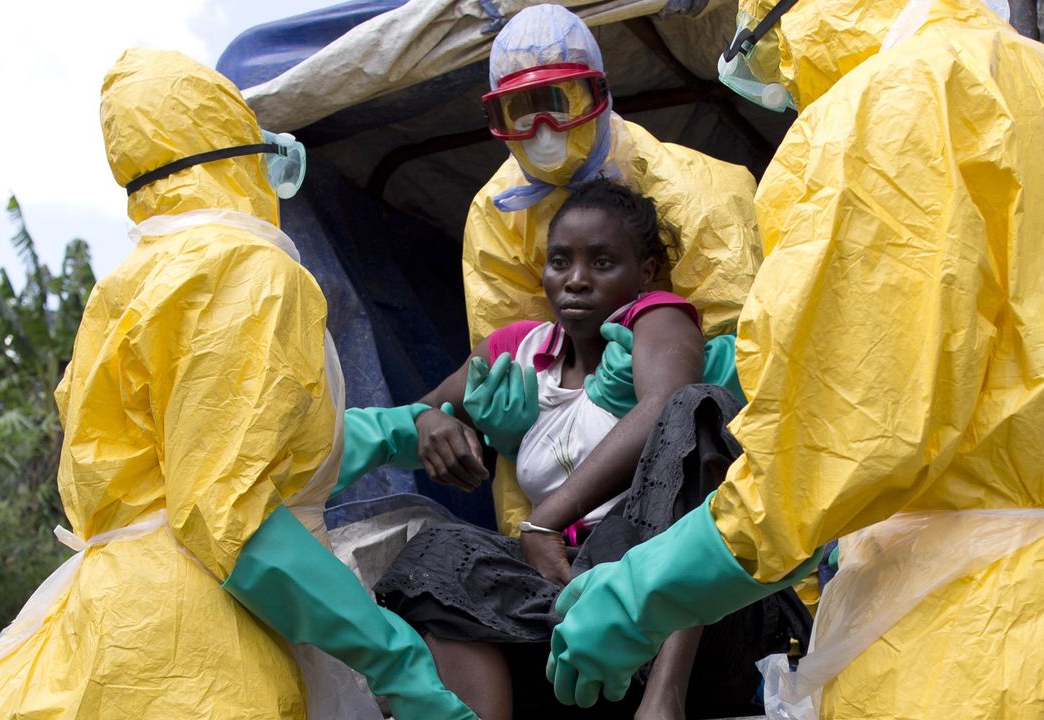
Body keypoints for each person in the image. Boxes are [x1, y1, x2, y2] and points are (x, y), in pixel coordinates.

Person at [547, 1, 1044, 719]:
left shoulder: (897, 96)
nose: (778, 75)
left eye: (764, 47)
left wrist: (646, 591)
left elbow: (844, 437)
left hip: (965, 641)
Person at [0, 48, 473, 720]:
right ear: (239, 152)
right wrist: (394, 656)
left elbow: (225, 448)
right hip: (203, 645)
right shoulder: (247, 269)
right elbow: (231, 514)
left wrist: (395, 431)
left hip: (114, 633)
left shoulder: (130, 282)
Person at [340, 180, 808, 720]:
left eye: (603, 262)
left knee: (699, 411)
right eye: (560, 262)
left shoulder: (657, 320)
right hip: (579, 606)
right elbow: (415, 416)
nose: (576, 281)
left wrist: (544, 522)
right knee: (436, 555)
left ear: (647, 271)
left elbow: (667, 402)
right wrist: (429, 422)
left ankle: (664, 700)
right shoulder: (520, 352)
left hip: (694, 623)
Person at [466, 4, 763, 535]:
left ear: (599, 95)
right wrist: (530, 541)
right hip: (574, 507)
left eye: (559, 103)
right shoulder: (497, 214)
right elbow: (515, 368)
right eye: (520, 111)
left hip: (694, 467)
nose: (543, 129)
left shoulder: (700, 195)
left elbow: (752, 372)